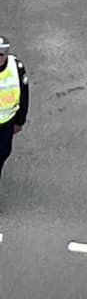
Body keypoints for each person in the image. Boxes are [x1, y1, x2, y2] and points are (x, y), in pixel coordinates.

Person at [0, 36, 28, 193]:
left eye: (0, 55)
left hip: (6, 124)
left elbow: (24, 96)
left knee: (3, 155)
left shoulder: (16, 68)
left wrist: (20, 121)